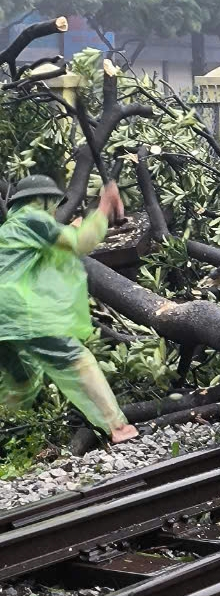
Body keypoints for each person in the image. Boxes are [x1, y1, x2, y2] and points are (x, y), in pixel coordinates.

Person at [0, 175, 137, 445]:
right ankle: (118, 427)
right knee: (78, 360)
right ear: (44, 200)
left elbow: (52, 251)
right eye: (52, 204)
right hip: (17, 314)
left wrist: (75, 226)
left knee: (22, 383)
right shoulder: (33, 218)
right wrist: (104, 209)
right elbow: (80, 245)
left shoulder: (9, 230)